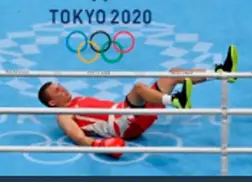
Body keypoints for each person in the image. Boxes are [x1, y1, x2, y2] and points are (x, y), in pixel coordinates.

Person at [37, 44, 239, 159]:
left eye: (59, 85)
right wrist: (101, 144)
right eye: (57, 90)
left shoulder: (78, 98)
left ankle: (221, 73)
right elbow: (78, 138)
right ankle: (175, 100)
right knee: (139, 88)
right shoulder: (63, 115)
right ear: (52, 103)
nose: (62, 88)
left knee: (173, 74)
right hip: (122, 124)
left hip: (128, 113)